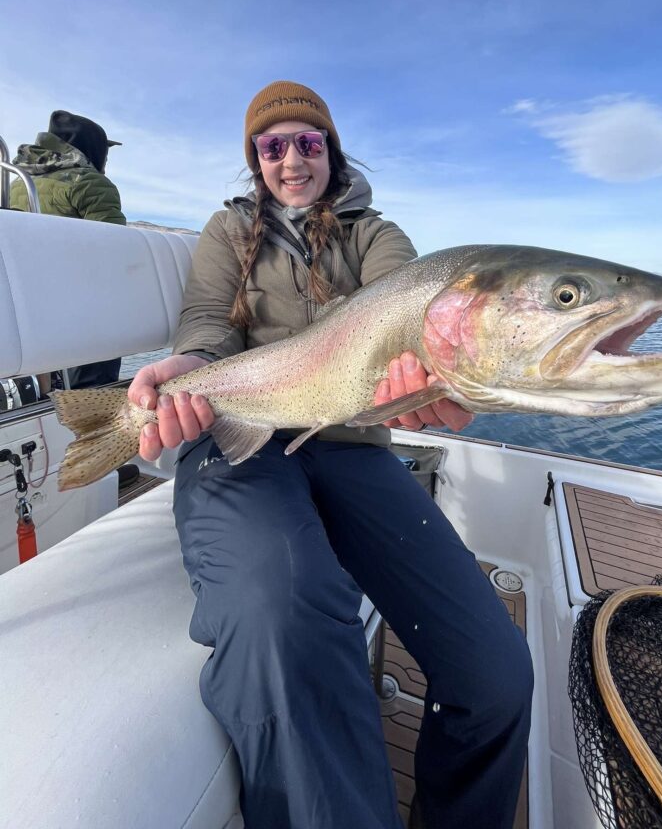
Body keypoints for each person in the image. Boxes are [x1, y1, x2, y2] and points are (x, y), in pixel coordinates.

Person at [127, 80, 533, 829]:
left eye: (307, 143)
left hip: (349, 446)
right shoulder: (226, 230)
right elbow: (209, 321)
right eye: (272, 145)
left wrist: (436, 382)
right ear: (256, 158)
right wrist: (190, 366)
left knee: (498, 673)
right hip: (238, 438)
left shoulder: (376, 236)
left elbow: (405, 308)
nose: (291, 159)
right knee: (287, 614)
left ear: (330, 151)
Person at [11, 110, 138, 486]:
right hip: (80, 315)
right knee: (94, 389)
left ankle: (42, 466)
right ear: (92, 151)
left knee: (36, 393)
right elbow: (116, 252)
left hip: (25, 316)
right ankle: (98, 466)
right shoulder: (89, 184)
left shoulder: (13, 180)